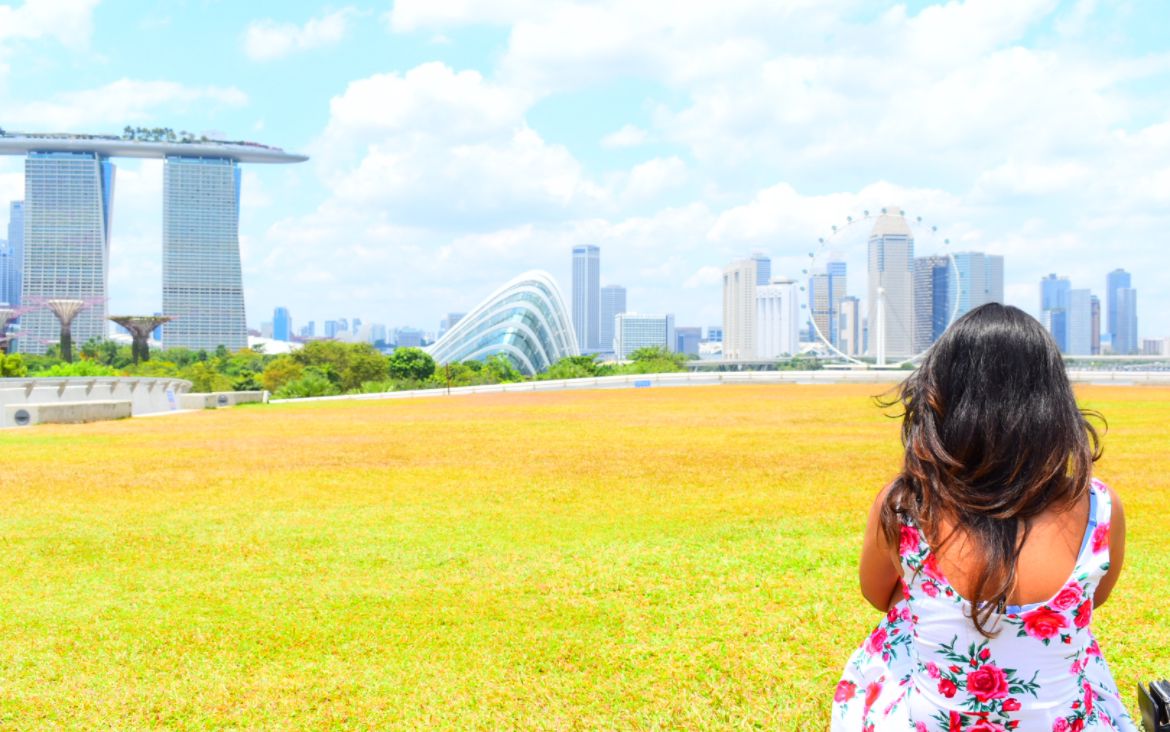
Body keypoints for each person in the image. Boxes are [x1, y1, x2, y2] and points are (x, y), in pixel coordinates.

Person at [831, 303, 1136, 731]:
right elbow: (1092, 599)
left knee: (904, 611)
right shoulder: (1100, 507)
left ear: (942, 396)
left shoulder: (906, 505)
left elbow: (877, 594)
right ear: (1053, 402)